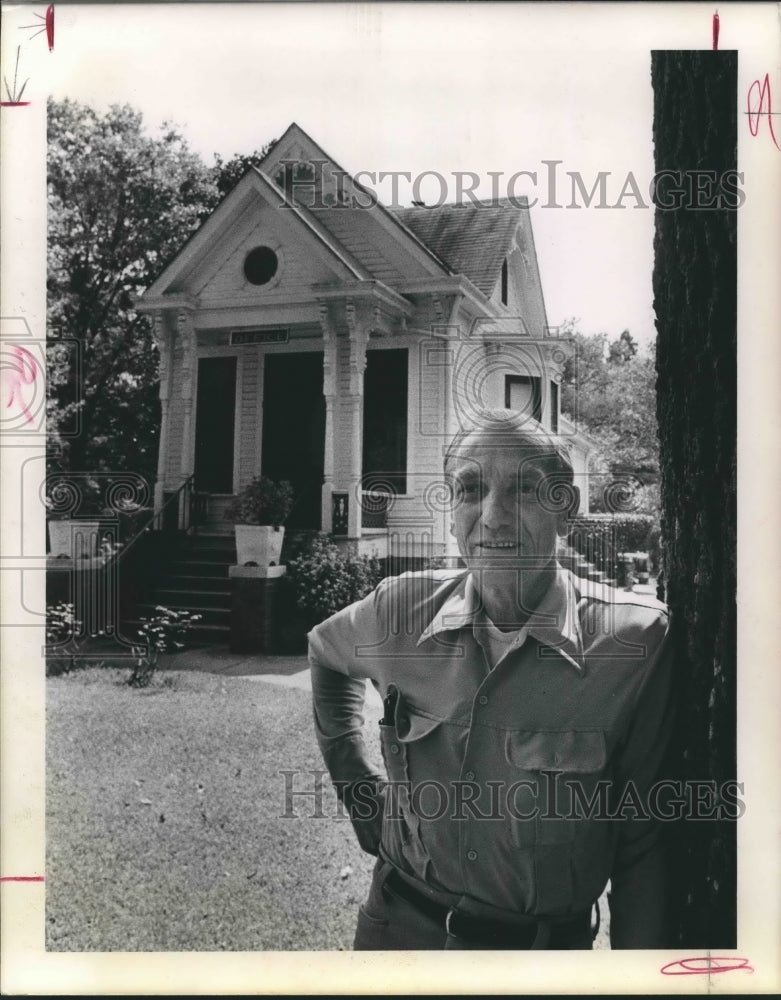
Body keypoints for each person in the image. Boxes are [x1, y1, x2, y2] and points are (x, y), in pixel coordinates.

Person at [308, 410, 674, 950]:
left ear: (565, 510)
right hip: (397, 937)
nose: (494, 516)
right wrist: (359, 789)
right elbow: (326, 651)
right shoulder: (398, 610)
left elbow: (644, 846)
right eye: (471, 489)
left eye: (524, 489)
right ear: (452, 510)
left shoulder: (635, 643)